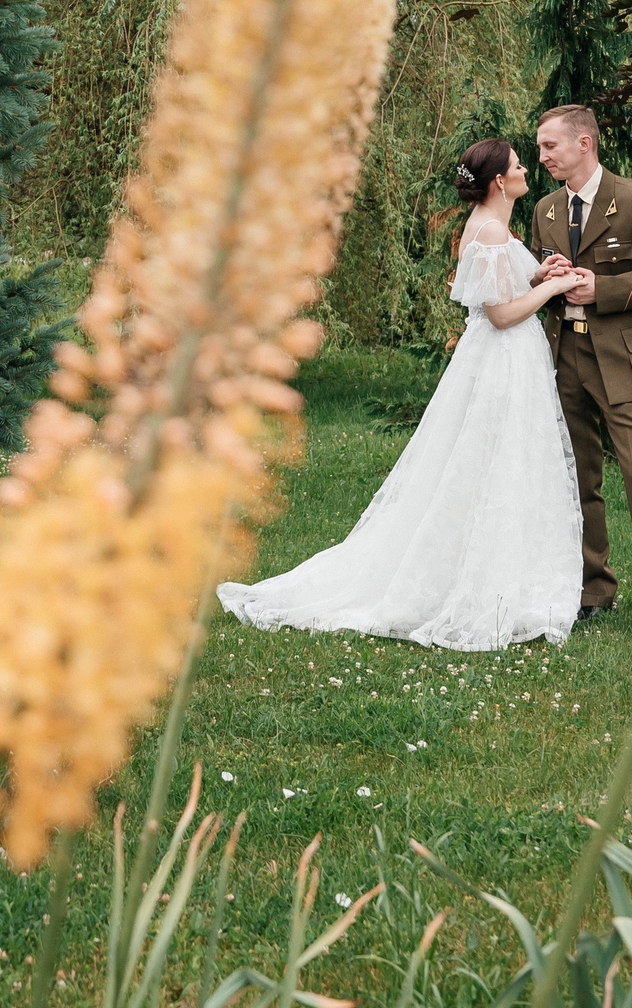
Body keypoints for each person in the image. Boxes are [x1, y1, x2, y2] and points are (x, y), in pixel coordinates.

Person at [216, 139, 583, 650]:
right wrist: (551, 291)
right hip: (502, 361)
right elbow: (500, 314)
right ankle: (485, 584)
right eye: (519, 165)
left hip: (495, 360)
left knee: (486, 461)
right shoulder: (493, 229)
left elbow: (497, 288)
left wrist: (540, 273)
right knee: (498, 460)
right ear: (500, 181)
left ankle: (497, 576)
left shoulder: (487, 225)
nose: (527, 170)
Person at [526, 104, 632, 638]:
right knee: (578, 478)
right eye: (538, 147)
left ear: (584, 144)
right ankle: (594, 591)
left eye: (550, 145)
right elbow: (535, 274)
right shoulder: (547, 209)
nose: (542, 156)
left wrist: (604, 290)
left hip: (621, 357)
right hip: (565, 358)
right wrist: (544, 275)